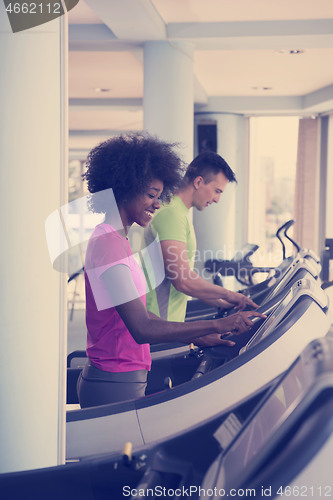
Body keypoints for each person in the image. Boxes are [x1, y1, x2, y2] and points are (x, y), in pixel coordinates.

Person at [77, 134, 265, 408]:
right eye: (151, 195)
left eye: (159, 196)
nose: (157, 203)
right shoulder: (108, 244)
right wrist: (219, 324)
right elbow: (141, 327)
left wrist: (198, 335)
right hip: (114, 378)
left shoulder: (118, 239)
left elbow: (135, 311)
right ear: (124, 187)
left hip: (123, 374)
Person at [145, 150, 257, 322]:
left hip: (168, 322)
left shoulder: (179, 213)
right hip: (159, 324)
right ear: (198, 182)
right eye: (217, 191)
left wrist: (221, 303)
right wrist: (229, 294)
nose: (217, 199)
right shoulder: (172, 215)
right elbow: (182, 280)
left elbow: (185, 280)